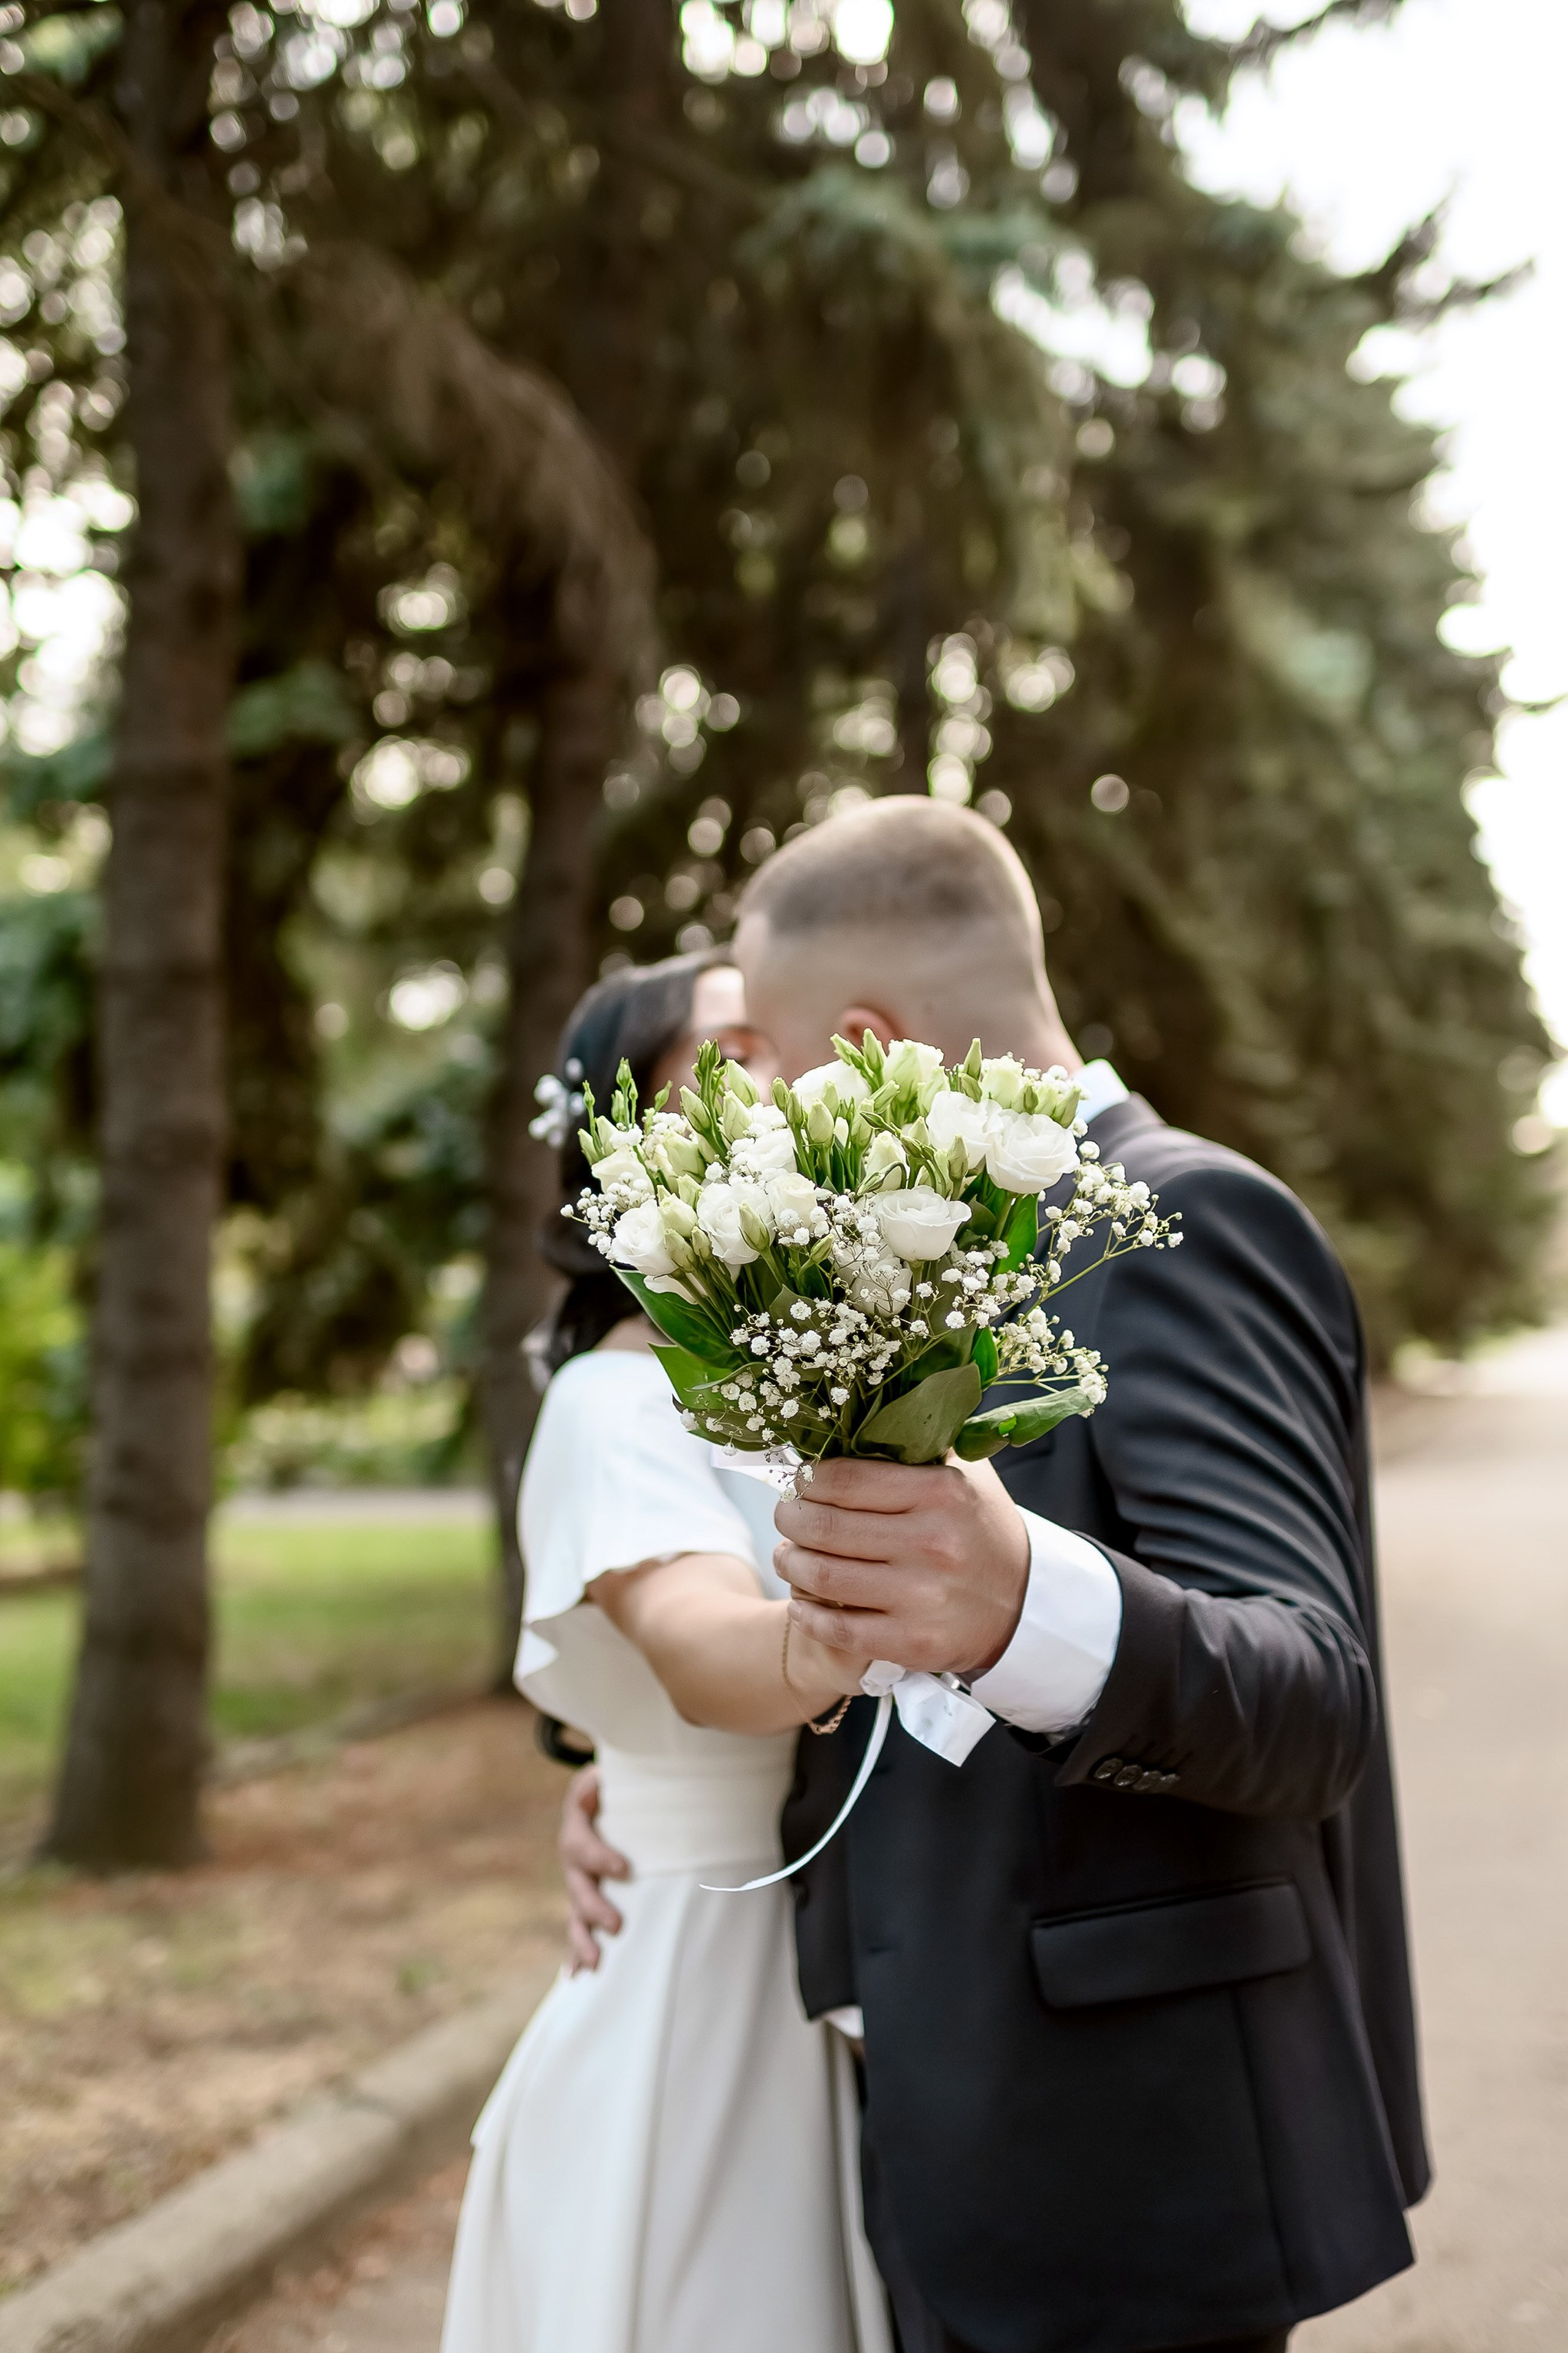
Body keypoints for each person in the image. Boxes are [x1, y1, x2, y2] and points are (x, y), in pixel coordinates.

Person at [561, 798, 1427, 2353]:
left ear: (872, 1039)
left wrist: (1026, 1594)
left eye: (767, 1052)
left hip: (1122, 2161)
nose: (753, 1103)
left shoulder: (1180, 1219)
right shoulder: (908, 1260)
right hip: (926, 2126)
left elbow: (1315, 1698)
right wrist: (666, 1773)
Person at [440, 951, 892, 2353]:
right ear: (626, 1133)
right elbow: (704, 1653)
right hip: (697, 1972)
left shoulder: (809, 1369)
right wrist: (904, 1613)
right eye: (732, 1051)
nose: (783, 1072)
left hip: (825, 1948)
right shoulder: (614, 1398)